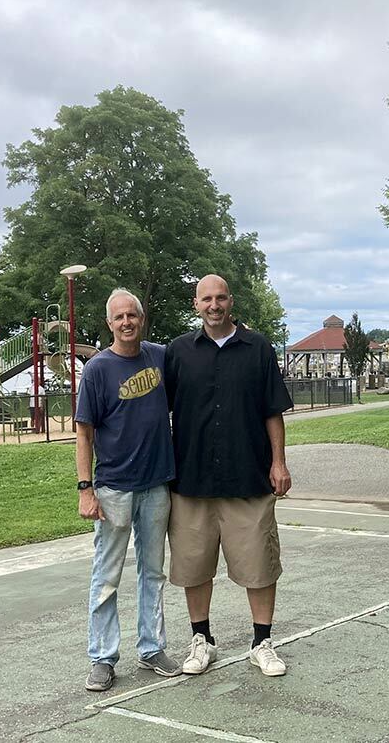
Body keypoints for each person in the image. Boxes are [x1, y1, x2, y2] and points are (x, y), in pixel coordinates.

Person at [165, 274, 294, 678]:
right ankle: (202, 639)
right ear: (196, 303)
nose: (214, 305)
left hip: (248, 476)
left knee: (259, 564)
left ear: (231, 302)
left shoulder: (258, 348)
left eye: (221, 298)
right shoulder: (178, 352)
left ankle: (262, 642)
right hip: (191, 479)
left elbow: (272, 411)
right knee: (194, 565)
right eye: (207, 299)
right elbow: (157, 412)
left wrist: (279, 462)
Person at [76, 289, 180, 692]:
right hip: (114, 488)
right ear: (109, 323)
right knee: (107, 577)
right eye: (119, 317)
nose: (126, 322)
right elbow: (83, 434)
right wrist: (86, 489)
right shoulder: (98, 370)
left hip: (156, 485)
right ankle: (102, 657)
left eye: (132, 315)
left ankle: (152, 648)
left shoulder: (160, 357)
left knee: (153, 573)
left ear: (142, 318)